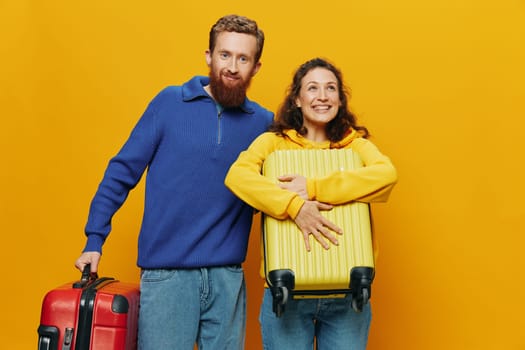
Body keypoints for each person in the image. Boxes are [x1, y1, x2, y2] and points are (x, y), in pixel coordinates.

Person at [74, 14, 273, 350]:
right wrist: (95, 238)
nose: (233, 66)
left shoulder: (263, 123)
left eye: (243, 58)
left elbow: (273, 192)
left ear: (256, 67)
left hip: (227, 278)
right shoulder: (169, 103)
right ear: (209, 57)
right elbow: (121, 172)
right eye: (225, 55)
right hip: (168, 276)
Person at [224, 57, 398, 350]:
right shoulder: (273, 143)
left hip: (347, 295)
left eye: (331, 89)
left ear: (340, 100)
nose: (322, 96)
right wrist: (295, 206)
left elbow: (386, 175)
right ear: (297, 99)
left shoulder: (354, 146)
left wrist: (314, 188)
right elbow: (238, 176)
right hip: (286, 294)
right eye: (313, 88)